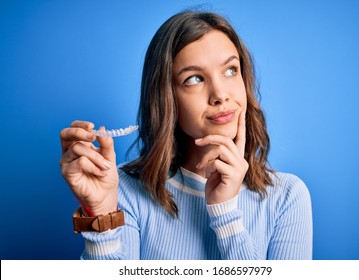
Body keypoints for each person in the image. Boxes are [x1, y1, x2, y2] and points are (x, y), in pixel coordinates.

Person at [59, 10, 312, 260]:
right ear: (166, 98)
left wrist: (226, 216)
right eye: (194, 79)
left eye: (231, 70)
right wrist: (102, 214)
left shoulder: (287, 197)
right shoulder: (123, 190)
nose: (220, 94)